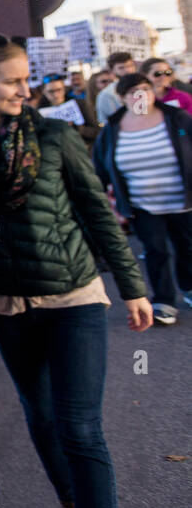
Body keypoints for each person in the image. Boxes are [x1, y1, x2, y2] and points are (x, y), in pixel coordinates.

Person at [0, 34, 152, 508]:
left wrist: (133, 286)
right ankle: (73, 505)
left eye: (26, 79)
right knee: (39, 417)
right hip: (3, 304)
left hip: (72, 298)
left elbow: (97, 215)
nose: (26, 90)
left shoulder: (54, 137)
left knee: (79, 428)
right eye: (12, 81)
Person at [93, 72, 192, 326]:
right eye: (134, 92)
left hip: (183, 202)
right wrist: (101, 200)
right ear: (122, 98)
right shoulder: (113, 128)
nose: (142, 96)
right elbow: (99, 170)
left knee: (187, 248)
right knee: (156, 251)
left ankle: (189, 288)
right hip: (142, 205)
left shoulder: (175, 117)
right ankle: (164, 301)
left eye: (146, 90)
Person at [41, 73, 100, 147]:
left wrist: (78, 128)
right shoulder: (39, 112)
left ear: (64, 89)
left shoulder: (80, 104)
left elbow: (96, 132)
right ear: (44, 92)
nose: (56, 95)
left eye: (59, 90)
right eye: (51, 91)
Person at [95, 52, 137, 121]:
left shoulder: (145, 87)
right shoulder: (107, 94)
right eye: (121, 68)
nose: (127, 70)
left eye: (130, 66)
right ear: (112, 70)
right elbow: (112, 121)